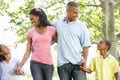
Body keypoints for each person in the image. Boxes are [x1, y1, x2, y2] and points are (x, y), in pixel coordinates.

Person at [15, 8, 57, 80]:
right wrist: (20, 66)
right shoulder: (30, 33)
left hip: (48, 63)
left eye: (32, 18)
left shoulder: (51, 29)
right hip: (35, 63)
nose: (31, 21)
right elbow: (28, 51)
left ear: (38, 16)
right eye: (30, 19)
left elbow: (61, 44)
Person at [53, 1, 90, 80]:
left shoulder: (81, 25)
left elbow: (85, 45)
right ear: (67, 11)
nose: (77, 15)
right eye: (74, 13)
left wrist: (85, 60)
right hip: (62, 64)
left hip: (78, 63)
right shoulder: (57, 24)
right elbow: (49, 38)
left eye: (78, 13)